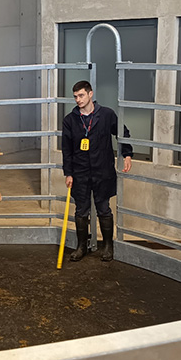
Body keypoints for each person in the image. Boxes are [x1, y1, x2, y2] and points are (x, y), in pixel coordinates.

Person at [62, 81, 132, 262]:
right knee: (81, 211)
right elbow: (67, 149)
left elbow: (122, 133)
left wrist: (127, 154)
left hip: (102, 171)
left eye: (81, 95)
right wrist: (68, 173)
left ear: (90, 94)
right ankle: (81, 246)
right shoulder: (70, 120)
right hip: (80, 172)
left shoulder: (107, 115)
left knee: (104, 209)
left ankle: (108, 246)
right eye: (75, 96)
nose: (78, 100)